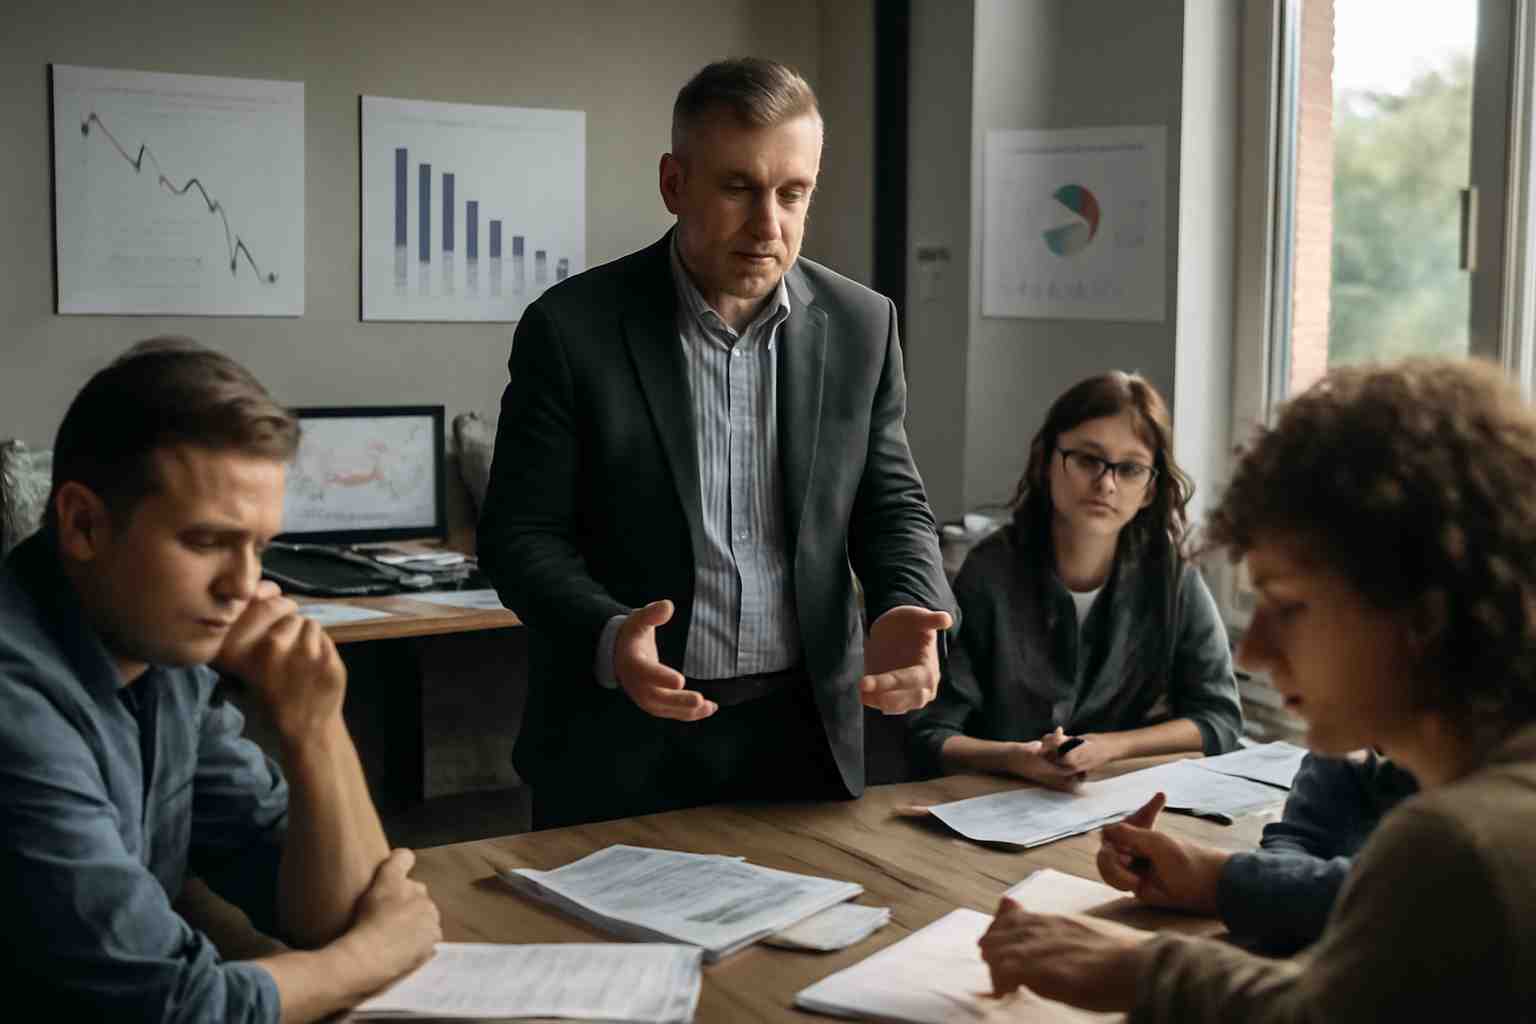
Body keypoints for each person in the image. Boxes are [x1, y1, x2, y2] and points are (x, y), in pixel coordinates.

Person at [478, 58, 957, 829]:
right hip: (622, 735)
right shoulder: (572, 329)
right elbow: (519, 535)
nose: (768, 225)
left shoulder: (864, 325)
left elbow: (891, 502)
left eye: (792, 193)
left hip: (803, 736)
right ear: (674, 184)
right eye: (738, 188)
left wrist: (910, 600)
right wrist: (609, 633)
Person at [978, 358, 1536, 1018]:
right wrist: (1187, 918)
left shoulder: (1456, 846)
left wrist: (1151, 969)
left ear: (1423, 608)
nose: (1253, 650)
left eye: (1288, 605)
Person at [0, 339, 441, 1022]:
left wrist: (317, 730)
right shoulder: (16, 704)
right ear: (83, 523)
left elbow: (329, 913)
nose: (244, 587)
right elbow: (176, 1008)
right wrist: (373, 956)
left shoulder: (164, 654)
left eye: (259, 547)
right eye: (207, 542)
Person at [905, 372, 1242, 788]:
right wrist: (1015, 757)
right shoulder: (990, 573)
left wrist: (1108, 747)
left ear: (1151, 489)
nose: (1106, 484)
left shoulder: (1172, 581)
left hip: (1111, 805)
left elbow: (1220, 720)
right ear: (1048, 462)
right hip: (993, 803)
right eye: (1086, 460)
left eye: (1131, 469)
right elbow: (929, 732)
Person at [1095, 748, 1417, 954]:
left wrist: (1216, 879)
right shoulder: (1346, 737)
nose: (1247, 658)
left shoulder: (1462, 802)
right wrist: (1263, 886)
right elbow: (1302, 840)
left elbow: (1411, 897)